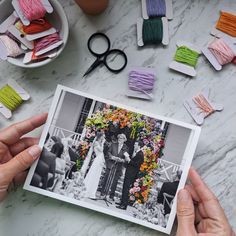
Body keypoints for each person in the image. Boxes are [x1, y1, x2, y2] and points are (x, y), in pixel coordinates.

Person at [0, 115, 235, 236]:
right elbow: (104, 151)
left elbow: (125, 158)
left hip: (118, 168)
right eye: (120, 139)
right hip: (109, 165)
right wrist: (115, 158)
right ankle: (98, 192)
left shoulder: (126, 150)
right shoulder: (111, 145)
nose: (122, 141)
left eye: (124, 140)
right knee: (103, 181)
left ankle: (110, 196)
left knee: (113, 186)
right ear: (117, 139)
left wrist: (121, 158)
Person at [116, 140, 144, 210]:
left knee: (126, 188)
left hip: (132, 174)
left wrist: (129, 160)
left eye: (136, 144)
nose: (134, 145)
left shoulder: (140, 154)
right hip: (129, 172)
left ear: (139, 146)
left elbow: (136, 164)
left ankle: (124, 205)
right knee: (124, 187)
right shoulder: (136, 152)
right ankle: (122, 202)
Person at [100, 133, 129, 201]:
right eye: (119, 138)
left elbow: (126, 158)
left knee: (115, 181)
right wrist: (112, 157)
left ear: (124, 140)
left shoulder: (126, 148)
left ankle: (111, 195)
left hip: (118, 166)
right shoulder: (113, 144)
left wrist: (122, 160)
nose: (119, 139)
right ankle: (102, 193)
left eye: (121, 138)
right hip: (111, 164)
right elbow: (108, 152)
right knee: (106, 178)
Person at [83, 132, 106, 199]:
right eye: (103, 136)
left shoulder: (100, 143)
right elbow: (101, 150)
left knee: (97, 176)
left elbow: (102, 153)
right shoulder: (96, 142)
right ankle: (87, 191)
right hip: (97, 160)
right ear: (100, 136)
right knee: (93, 174)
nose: (104, 138)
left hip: (100, 159)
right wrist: (102, 143)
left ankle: (92, 192)